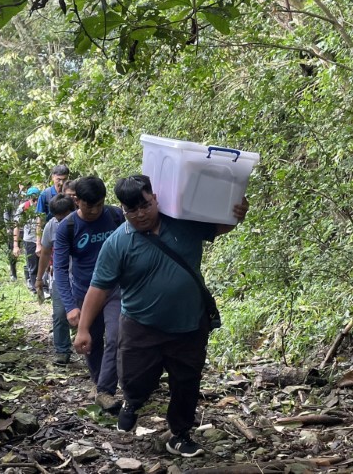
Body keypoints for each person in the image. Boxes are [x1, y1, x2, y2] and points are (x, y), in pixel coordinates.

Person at [74, 175, 249, 458]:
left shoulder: (183, 223)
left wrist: (238, 214)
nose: (140, 214)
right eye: (131, 210)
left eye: (145, 205)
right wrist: (83, 329)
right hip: (140, 326)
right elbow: (99, 288)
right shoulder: (118, 243)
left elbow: (221, 225)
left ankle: (179, 434)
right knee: (134, 378)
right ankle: (132, 402)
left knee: (187, 381)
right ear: (122, 210)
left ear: (155, 198)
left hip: (189, 324)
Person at [54, 176, 125, 409]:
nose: (94, 210)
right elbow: (61, 269)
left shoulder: (116, 216)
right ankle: (98, 383)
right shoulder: (68, 227)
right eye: (88, 205)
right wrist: (70, 305)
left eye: (99, 204)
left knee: (115, 336)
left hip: (114, 289)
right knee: (90, 341)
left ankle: (106, 390)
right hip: (84, 291)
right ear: (77, 201)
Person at [35, 194, 76, 365]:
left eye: (65, 217)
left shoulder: (84, 222)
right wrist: (39, 278)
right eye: (58, 218)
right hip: (61, 276)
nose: (62, 221)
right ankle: (62, 351)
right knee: (59, 314)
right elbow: (45, 253)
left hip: (83, 275)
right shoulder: (51, 226)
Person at [36, 164, 70, 256]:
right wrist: (38, 244)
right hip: (50, 236)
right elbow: (39, 220)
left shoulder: (71, 194)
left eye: (64, 179)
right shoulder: (45, 195)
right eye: (58, 179)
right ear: (53, 178)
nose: (61, 183)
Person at [13, 187, 41, 294]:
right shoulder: (23, 208)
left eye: (36, 199)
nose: (35, 202)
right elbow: (16, 225)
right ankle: (35, 289)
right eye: (33, 199)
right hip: (29, 239)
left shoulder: (42, 206)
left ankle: (43, 286)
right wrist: (16, 245)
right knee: (32, 265)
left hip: (42, 239)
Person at [3, 184, 26, 281]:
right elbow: (6, 212)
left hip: (27, 227)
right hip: (14, 227)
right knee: (13, 249)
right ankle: (13, 273)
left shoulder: (30, 194)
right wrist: (8, 227)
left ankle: (29, 275)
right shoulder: (12, 196)